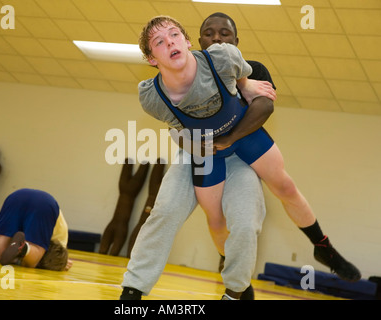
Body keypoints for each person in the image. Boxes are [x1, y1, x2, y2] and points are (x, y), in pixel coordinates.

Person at [144, 14, 361, 284]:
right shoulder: (188, 69)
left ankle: (323, 246)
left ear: (236, 41)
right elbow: (175, 126)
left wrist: (232, 130)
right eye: (209, 34)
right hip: (205, 148)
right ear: (197, 42)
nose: (217, 39)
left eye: (225, 34)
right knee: (215, 218)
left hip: (243, 137)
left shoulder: (251, 68)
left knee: (285, 187)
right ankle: (229, 260)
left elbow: (264, 106)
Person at [121, 15, 275, 301]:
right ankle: (133, 291)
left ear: (187, 41)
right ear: (151, 58)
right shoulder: (153, 96)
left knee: (245, 223)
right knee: (164, 213)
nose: (170, 42)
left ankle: (236, 290)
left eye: (174, 35)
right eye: (160, 42)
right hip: (197, 153)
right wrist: (192, 141)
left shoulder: (226, 61)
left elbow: (258, 96)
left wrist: (245, 85)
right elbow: (179, 132)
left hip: (238, 156)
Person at [0, 188, 72, 271]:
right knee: (32, 260)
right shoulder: (59, 242)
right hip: (45, 204)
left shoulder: (61, 240)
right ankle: (24, 248)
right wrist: (61, 263)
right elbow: (46, 258)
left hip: (17, 196)